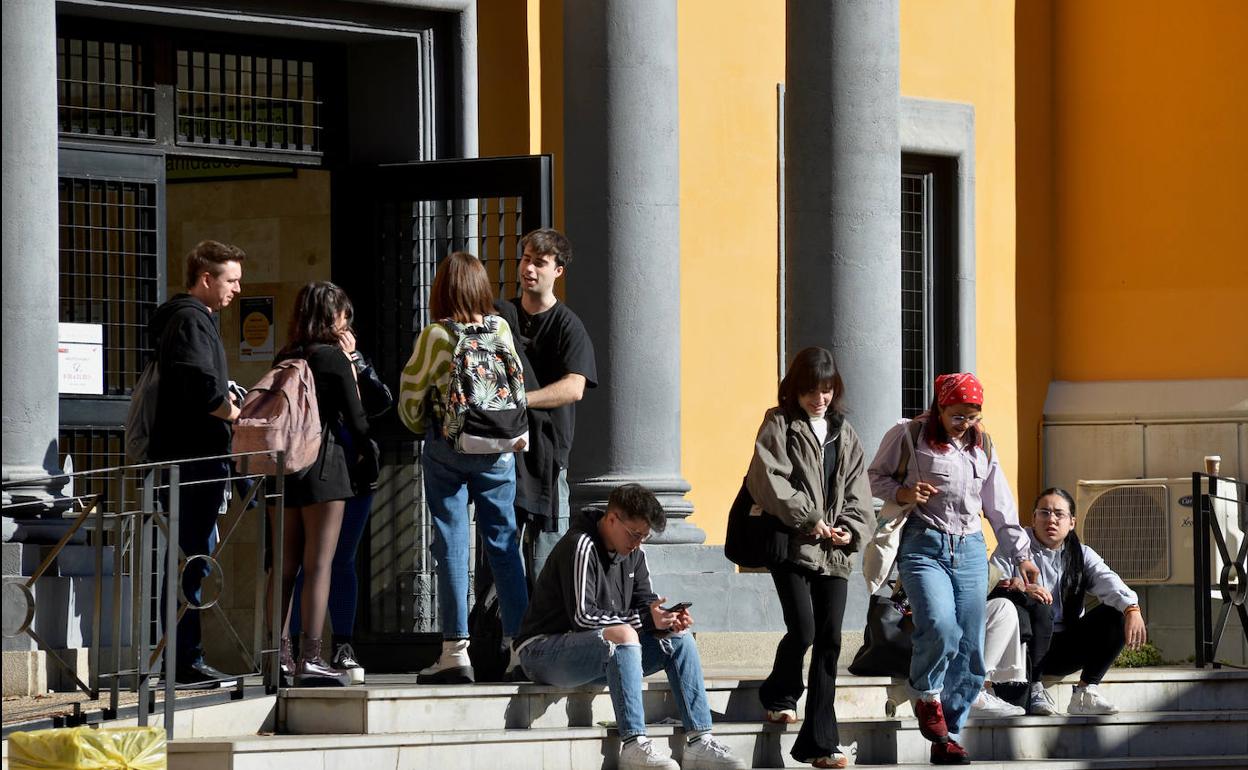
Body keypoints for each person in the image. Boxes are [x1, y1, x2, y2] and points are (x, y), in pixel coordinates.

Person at [868, 372, 1039, 765]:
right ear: (940, 409)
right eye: (958, 415)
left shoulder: (985, 445)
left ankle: (948, 736)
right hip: (923, 543)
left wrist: (1022, 554)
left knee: (971, 646)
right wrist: (903, 493)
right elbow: (874, 477)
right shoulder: (908, 434)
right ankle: (926, 694)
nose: (966, 424)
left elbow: (1000, 506)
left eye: (973, 416)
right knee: (941, 625)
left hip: (972, 549)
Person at [514, 484, 746, 770]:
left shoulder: (635, 554)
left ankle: (700, 740)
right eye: (634, 534)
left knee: (679, 639)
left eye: (644, 536)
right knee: (624, 634)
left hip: (597, 655)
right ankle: (634, 743)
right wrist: (646, 620)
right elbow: (583, 617)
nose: (637, 543)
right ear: (612, 519)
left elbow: (645, 607)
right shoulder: (581, 545)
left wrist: (666, 620)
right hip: (543, 653)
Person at [398, 252, 530, 684]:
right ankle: (519, 647)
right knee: (504, 545)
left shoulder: (436, 335)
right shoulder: (501, 327)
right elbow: (518, 388)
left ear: (443, 289)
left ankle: (455, 652)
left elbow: (410, 400)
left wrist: (427, 428)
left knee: (452, 544)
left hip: (450, 447)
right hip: (498, 448)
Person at [745, 347, 875, 769]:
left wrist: (850, 529)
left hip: (834, 554)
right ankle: (780, 692)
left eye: (826, 390)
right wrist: (811, 518)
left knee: (831, 641)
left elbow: (860, 492)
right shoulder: (778, 423)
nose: (819, 398)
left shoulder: (845, 432)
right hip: (792, 546)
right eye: (810, 390)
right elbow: (766, 479)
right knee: (803, 630)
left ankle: (820, 742)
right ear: (795, 390)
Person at [148, 239, 245, 685]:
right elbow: (201, 388)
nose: (237, 290)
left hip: (194, 461)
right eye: (231, 280)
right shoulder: (190, 320)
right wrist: (233, 411)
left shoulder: (192, 320)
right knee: (191, 558)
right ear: (206, 278)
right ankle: (183, 659)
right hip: (193, 461)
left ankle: (184, 655)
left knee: (194, 558)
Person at [272, 281, 373, 686]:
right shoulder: (332, 358)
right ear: (333, 317)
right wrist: (350, 362)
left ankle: (277, 656)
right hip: (324, 467)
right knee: (319, 565)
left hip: (283, 469)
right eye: (343, 314)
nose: (346, 321)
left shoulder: (286, 356)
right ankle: (311, 658)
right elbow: (358, 417)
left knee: (283, 567)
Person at [988, 487, 1146, 716]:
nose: (1051, 519)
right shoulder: (1012, 549)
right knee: (1034, 606)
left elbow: (1108, 581)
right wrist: (1021, 588)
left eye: (1058, 514)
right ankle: (1034, 687)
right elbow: (994, 585)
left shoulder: (1081, 554)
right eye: (1044, 512)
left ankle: (1085, 692)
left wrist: (1132, 608)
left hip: (1065, 646)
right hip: (1024, 647)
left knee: (1117, 613)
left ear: (1071, 522)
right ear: (1033, 518)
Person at [288, 339, 392, 685]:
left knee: (342, 560)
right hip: (319, 473)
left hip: (355, 476)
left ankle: (341, 646)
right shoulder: (305, 358)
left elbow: (380, 402)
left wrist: (359, 362)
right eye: (341, 322)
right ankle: (296, 651)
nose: (346, 331)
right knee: (310, 562)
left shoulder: (351, 360)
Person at [502, 229, 597, 554]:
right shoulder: (503, 316)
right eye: (526, 259)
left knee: (547, 556)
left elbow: (574, 387)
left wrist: (520, 401)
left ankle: (548, 608)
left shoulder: (568, 325)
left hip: (549, 454)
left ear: (558, 270)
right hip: (504, 448)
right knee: (501, 551)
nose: (528, 269)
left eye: (539, 263)